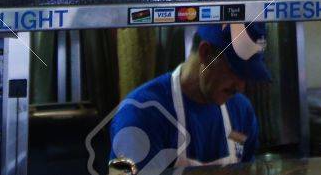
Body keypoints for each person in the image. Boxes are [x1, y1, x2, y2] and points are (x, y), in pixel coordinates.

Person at [108, 23, 267, 171]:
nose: (240, 87)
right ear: (205, 53)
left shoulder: (241, 111)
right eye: (236, 71)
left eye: (248, 76)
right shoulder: (142, 113)